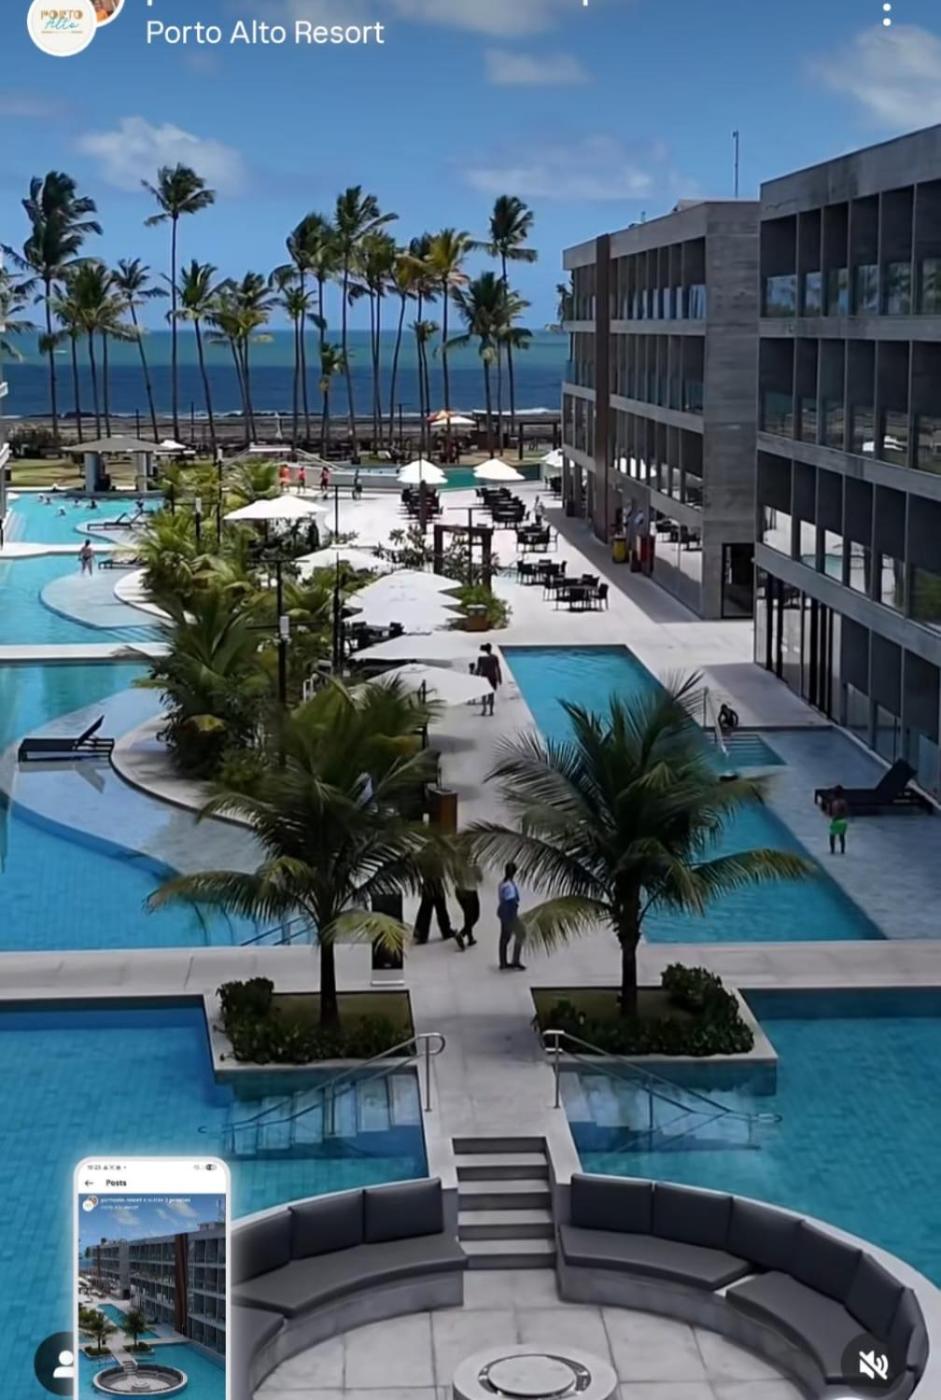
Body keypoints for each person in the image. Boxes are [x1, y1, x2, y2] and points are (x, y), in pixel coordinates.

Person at [497, 862, 525, 971]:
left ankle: (503, 962)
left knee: (504, 938)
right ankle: (515, 961)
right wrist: (512, 917)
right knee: (520, 933)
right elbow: (510, 902)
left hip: (504, 913)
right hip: (509, 914)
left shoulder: (502, 883)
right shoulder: (509, 886)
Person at [413, 877, 454, 944]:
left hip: (430, 882)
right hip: (433, 881)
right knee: (438, 906)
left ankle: (421, 933)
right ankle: (446, 930)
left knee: (427, 907)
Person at [454, 868, 481, 951]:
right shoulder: (473, 865)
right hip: (470, 892)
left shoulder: (458, 864)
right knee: (475, 916)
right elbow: (480, 878)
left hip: (459, 891)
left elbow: (455, 876)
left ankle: (470, 938)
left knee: (468, 915)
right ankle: (462, 934)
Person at [476, 643, 502, 717]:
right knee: (491, 694)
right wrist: (500, 678)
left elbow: (478, 668)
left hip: (484, 677)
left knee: (484, 694)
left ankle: (484, 709)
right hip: (492, 677)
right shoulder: (495, 657)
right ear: (490, 649)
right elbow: (498, 668)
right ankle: (491, 710)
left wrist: (476, 677)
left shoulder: (481, 658)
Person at [828, 785, 849, 855]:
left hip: (836, 820)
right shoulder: (844, 802)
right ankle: (842, 850)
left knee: (832, 836)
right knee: (842, 836)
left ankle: (832, 850)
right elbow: (846, 812)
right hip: (843, 821)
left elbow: (830, 813)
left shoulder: (833, 802)